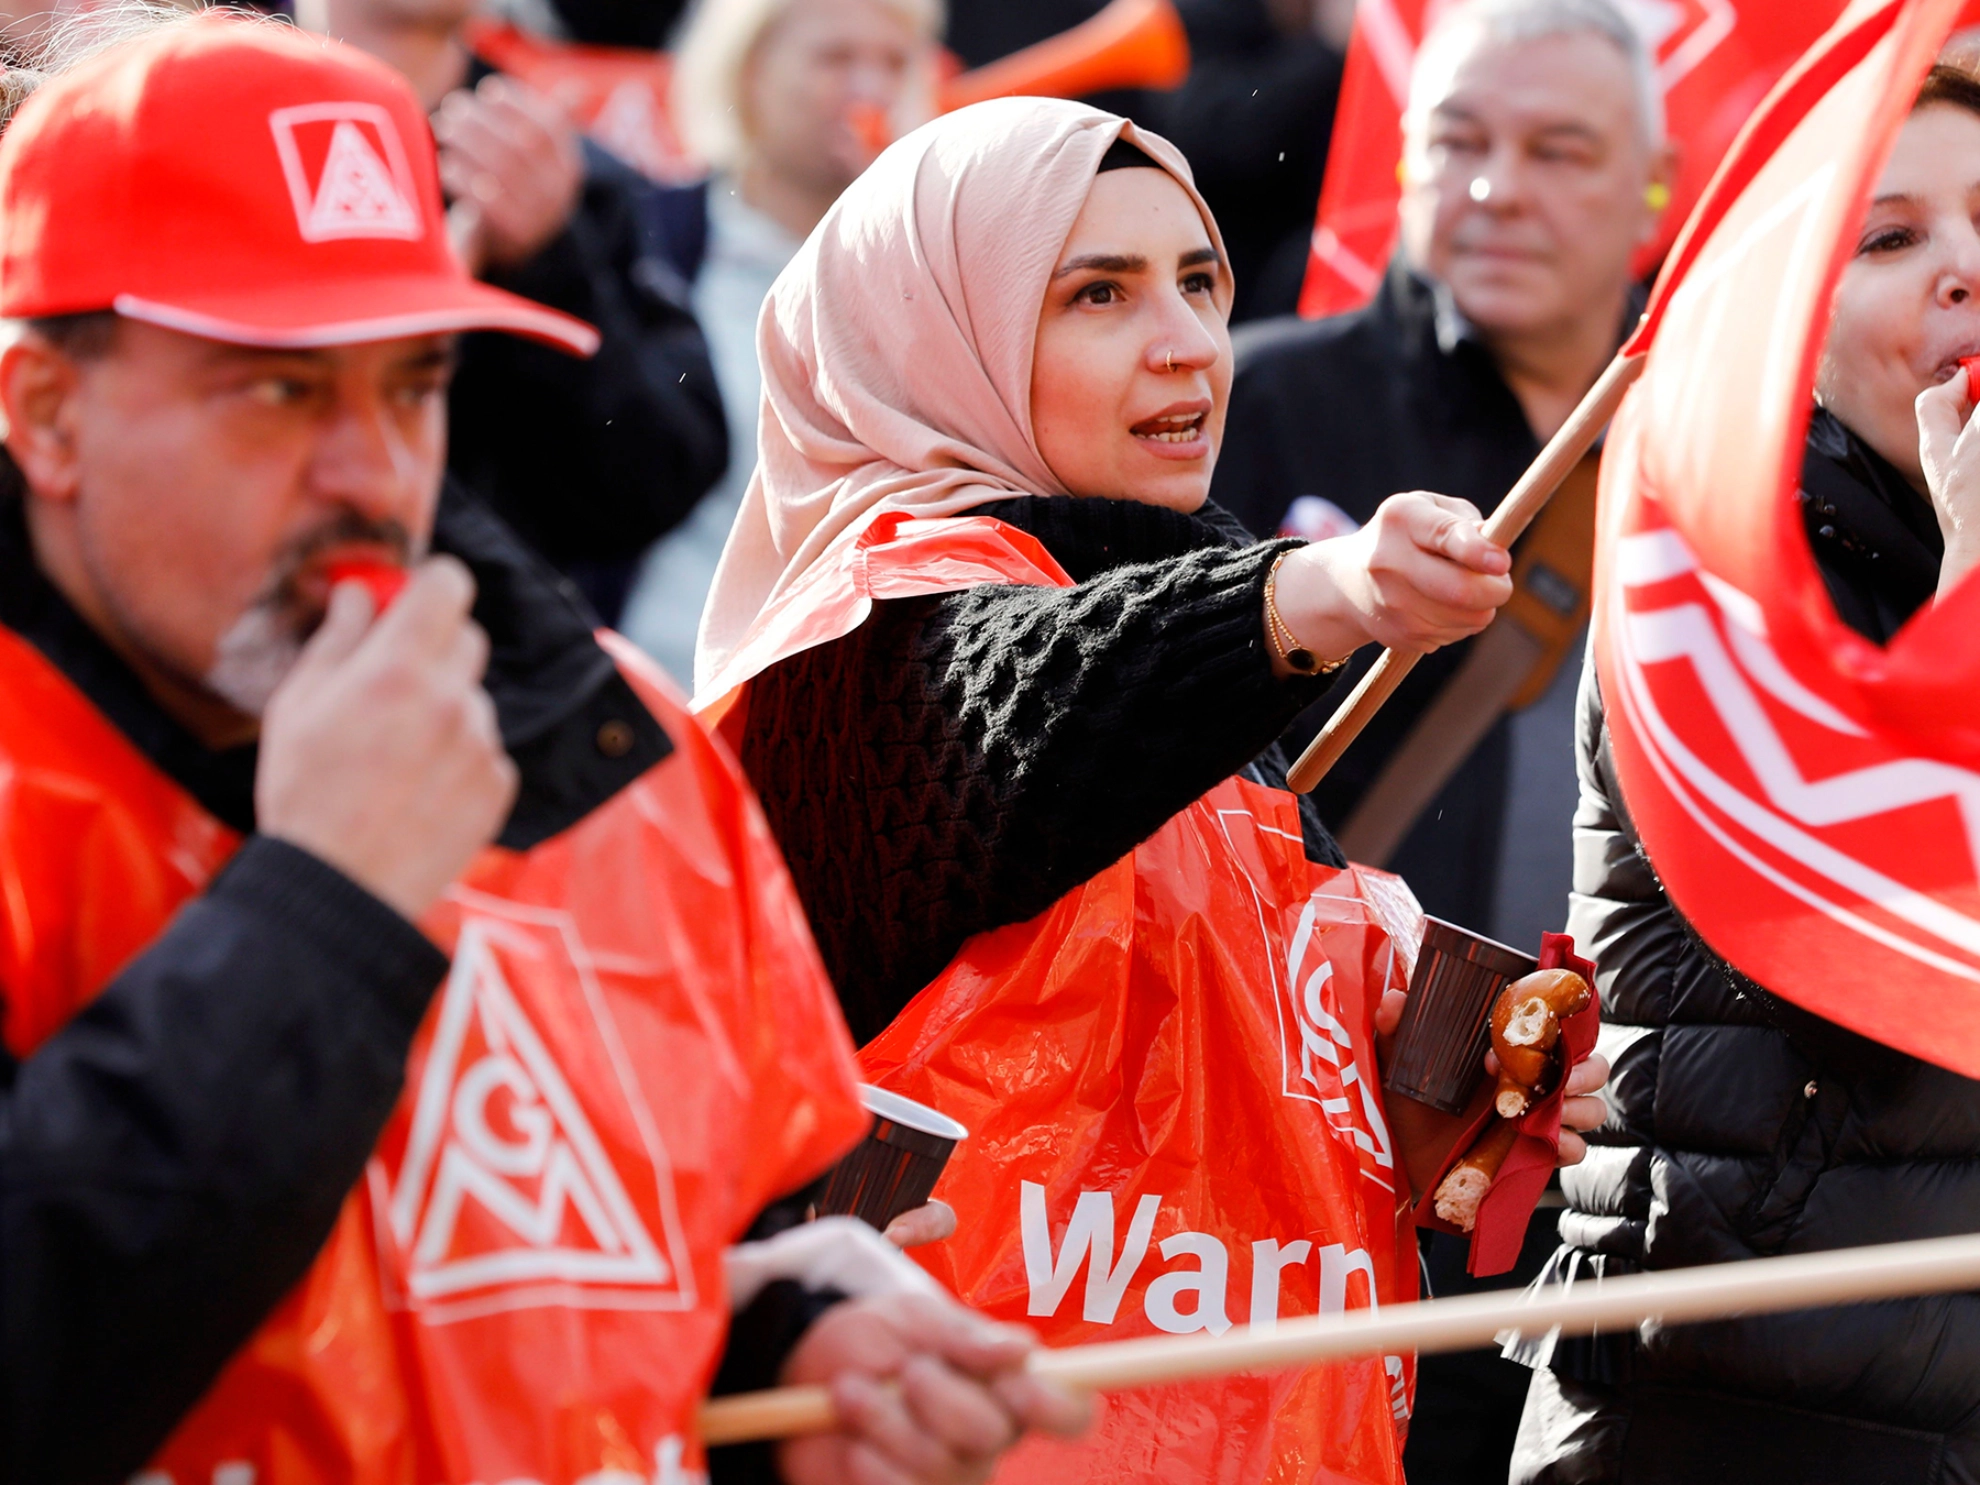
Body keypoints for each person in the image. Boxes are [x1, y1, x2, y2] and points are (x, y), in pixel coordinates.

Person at [0, 17, 1084, 1485]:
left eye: (415, 383)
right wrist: (325, 908)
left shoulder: (618, 761)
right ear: (46, 413)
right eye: (280, 389)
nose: (372, 475)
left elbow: (636, 1278)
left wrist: (779, 1350)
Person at [692, 95, 1608, 1480]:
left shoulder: (1209, 698)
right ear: (938, 336)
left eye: (1199, 282)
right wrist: (1317, 589)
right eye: (1097, 294)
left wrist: (1454, 1082)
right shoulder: (854, 644)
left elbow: (1232, 1069)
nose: (1187, 341)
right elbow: (1023, 709)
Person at [1510, 61, 1980, 1483]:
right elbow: (1884, 964)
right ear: (1786, 325)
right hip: (1732, 1408)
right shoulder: (1715, 571)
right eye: (1891, 239)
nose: (1968, 270)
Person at [1212, 0, 1671, 930]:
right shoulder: (1241, 405)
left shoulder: (1723, 440)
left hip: (1622, 1058)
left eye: (1559, 152)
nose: (1497, 190)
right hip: (1300, 1038)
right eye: (1459, 143)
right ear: (1405, 156)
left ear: (1653, 184)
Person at [297, 0, 729, 624]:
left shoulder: (560, 170)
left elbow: (658, 474)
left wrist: (551, 264)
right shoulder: (204, 123)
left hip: (490, 661)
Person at [619, 0, 940, 683]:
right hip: (659, 673)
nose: (871, 88)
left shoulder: (923, 263)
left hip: (838, 691)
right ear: (750, 74)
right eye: (834, 58)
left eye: (892, 61)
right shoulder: (649, 234)